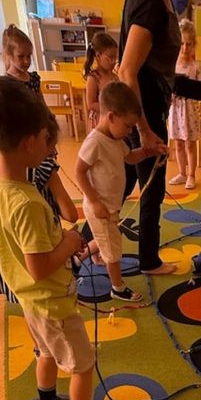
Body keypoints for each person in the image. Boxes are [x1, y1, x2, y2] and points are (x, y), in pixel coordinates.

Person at [0, 76, 117, 400]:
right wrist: (70, 242)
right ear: (28, 143)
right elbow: (38, 267)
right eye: (46, 141)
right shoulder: (28, 203)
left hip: (30, 300)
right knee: (83, 363)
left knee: (46, 351)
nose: (51, 149)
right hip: (52, 301)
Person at [118, 0, 201, 276]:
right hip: (141, 111)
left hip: (151, 103)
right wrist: (144, 130)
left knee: (124, 182)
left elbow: (153, 66)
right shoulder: (151, 5)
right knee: (149, 188)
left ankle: (86, 243)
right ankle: (148, 261)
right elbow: (128, 72)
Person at [0, 116, 82, 311]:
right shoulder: (44, 171)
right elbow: (71, 214)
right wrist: (71, 241)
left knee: (31, 305)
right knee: (44, 305)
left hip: (13, 259)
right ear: (34, 143)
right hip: (45, 263)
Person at [76, 81, 166, 306]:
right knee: (113, 251)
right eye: (128, 126)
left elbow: (131, 157)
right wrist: (94, 201)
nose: (130, 131)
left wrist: (149, 151)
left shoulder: (116, 139)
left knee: (106, 239)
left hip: (111, 206)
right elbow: (79, 171)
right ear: (111, 117)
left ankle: (78, 258)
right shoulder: (95, 141)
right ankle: (118, 288)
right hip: (100, 207)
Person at [167, 18, 201, 190]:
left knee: (190, 144)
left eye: (189, 44)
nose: (185, 48)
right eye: (182, 43)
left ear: (193, 45)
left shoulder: (196, 67)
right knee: (178, 144)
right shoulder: (171, 66)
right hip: (175, 111)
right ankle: (182, 173)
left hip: (190, 112)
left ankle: (191, 175)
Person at [84, 30, 119, 127]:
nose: (113, 61)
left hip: (113, 121)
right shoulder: (93, 78)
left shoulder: (115, 76)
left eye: (115, 58)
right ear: (98, 56)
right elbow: (91, 103)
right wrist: (109, 110)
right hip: (99, 121)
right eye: (110, 57)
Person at [2, 23, 41, 93]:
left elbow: (40, 98)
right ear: (9, 54)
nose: (26, 61)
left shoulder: (34, 78)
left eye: (28, 56)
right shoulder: (7, 84)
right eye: (20, 56)